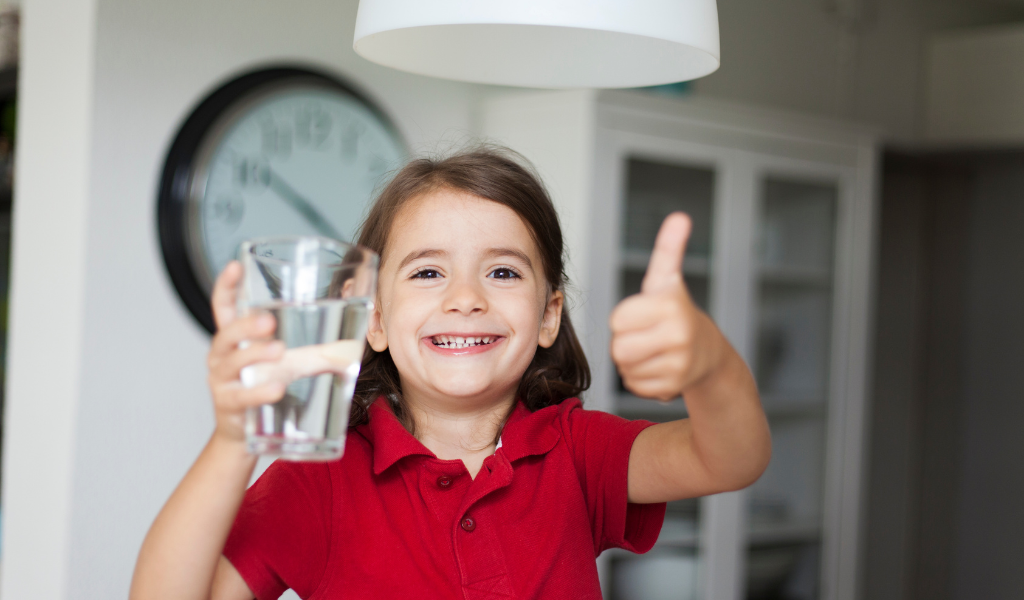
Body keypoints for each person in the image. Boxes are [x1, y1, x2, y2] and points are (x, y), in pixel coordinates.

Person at [130, 147, 771, 600]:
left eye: (503, 271)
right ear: (373, 320)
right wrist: (232, 441)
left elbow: (731, 459)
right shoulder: (316, 483)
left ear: (549, 316)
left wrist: (709, 363)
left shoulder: (578, 453)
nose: (465, 297)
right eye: (428, 272)